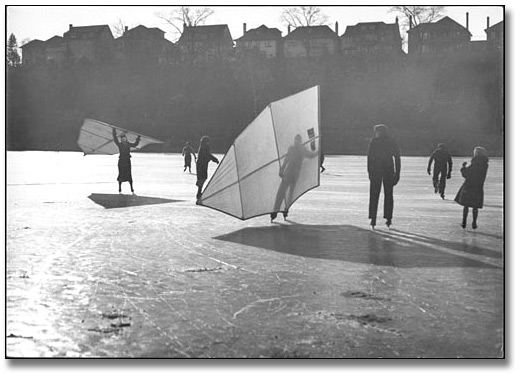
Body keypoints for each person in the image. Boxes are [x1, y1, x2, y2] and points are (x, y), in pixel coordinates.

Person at [271, 134, 318, 221]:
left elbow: (310, 156)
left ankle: (286, 209)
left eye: (298, 140)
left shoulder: (302, 149)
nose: (296, 142)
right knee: (281, 192)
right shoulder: (291, 149)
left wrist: (317, 152)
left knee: (290, 193)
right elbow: (286, 160)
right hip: (288, 174)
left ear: (300, 141)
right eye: (296, 140)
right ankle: (275, 210)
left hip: (295, 175)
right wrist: (282, 170)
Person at [367, 124, 401, 229]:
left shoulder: (375, 142)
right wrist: (397, 173)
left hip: (377, 171)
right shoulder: (391, 141)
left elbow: (369, 157)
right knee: (388, 195)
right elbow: (397, 158)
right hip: (388, 170)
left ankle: (373, 217)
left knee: (374, 195)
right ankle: (388, 217)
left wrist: (370, 171)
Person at [454, 146, 489, 229]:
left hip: (469, 186)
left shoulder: (475, 163)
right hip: (478, 186)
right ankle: (474, 222)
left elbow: (467, 174)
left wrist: (463, 168)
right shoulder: (485, 164)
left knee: (466, 205)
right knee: (475, 206)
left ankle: (464, 222)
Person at [112, 128, 140, 194]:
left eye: (124, 138)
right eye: (122, 139)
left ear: (126, 139)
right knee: (121, 174)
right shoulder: (120, 145)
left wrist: (138, 138)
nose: (123, 139)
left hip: (127, 161)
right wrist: (114, 132)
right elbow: (115, 140)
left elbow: (135, 144)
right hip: (121, 161)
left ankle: (132, 189)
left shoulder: (128, 144)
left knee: (129, 175)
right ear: (121, 140)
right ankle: (119, 188)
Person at [195, 136, 219, 204]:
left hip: (201, 164)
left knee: (202, 178)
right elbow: (208, 155)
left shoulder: (202, 147)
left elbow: (207, 155)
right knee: (202, 178)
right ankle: (199, 193)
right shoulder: (204, 147)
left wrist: (212, 159)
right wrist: (215, 159)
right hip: (202, 165)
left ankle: (199, 192)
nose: (208, 143)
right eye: (207, 141)